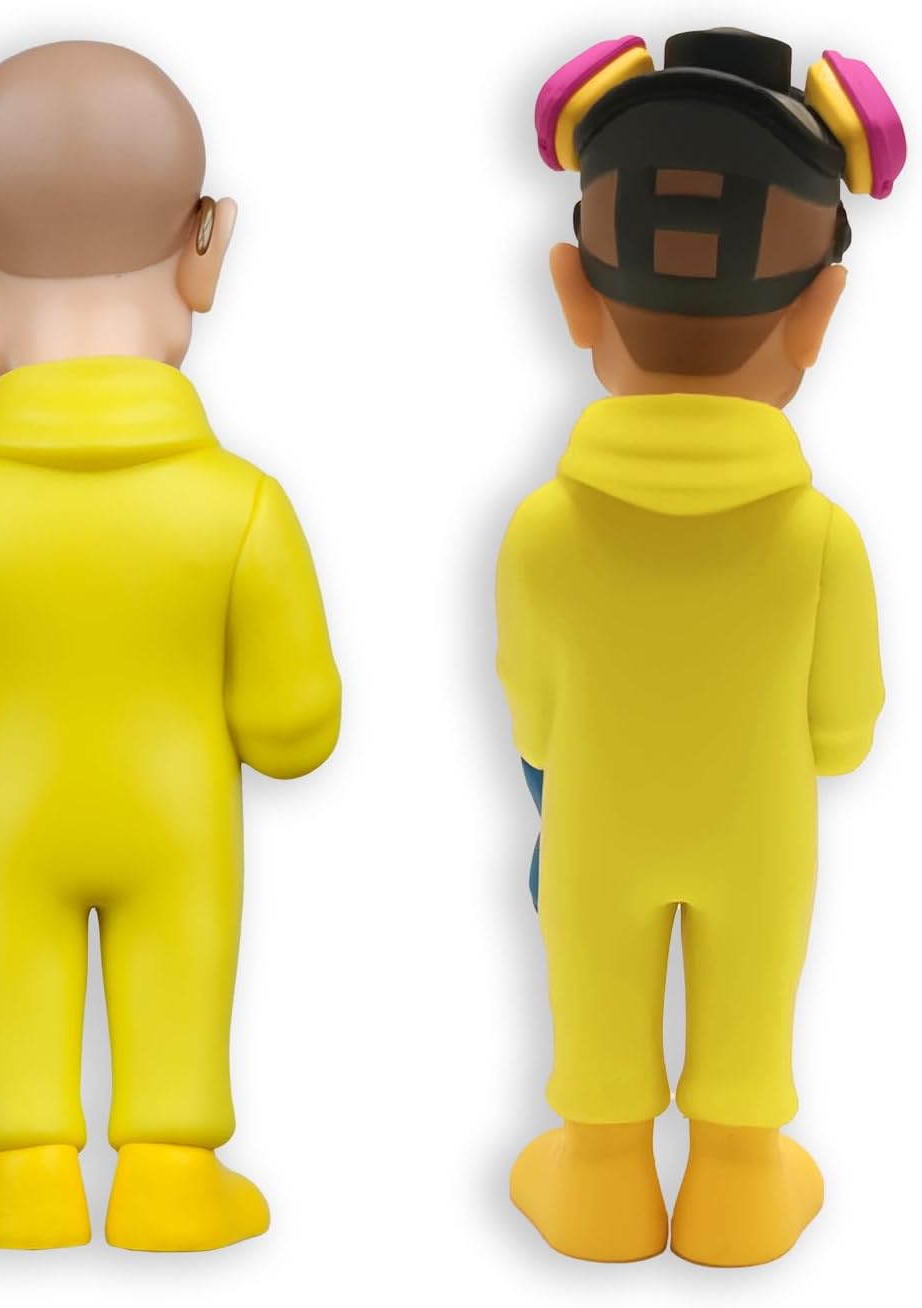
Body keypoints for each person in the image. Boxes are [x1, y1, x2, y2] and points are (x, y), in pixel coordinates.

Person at [0, 40, 341, 1252]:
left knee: (7, 965)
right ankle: (174, 1174)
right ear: (207, 248)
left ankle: (23, 1174)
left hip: (8, 832)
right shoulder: (246, 509)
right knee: (184, 959)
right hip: (180, 829)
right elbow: (293, 734)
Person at [498, 28, 901, 1266]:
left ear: (574, 295)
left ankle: (599, 1174)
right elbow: (843, 734)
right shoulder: (820, 542)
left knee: (592, 987)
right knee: (753, 997)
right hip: (760, 835)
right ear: (820, 316)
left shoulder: (543, 529)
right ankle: (738, 1181)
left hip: (596, 829)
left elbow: (534, 718)